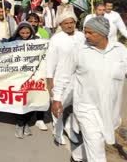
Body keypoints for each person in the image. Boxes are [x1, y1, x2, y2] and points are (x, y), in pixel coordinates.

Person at [52, 17, 127, 162]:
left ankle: (77, 156)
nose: (85, 36)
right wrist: (57, 98)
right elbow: (64, 76)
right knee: (97, 151)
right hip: (86, 107)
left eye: (90, 33)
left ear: (103, 33)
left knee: (98, 140)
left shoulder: (120, 51)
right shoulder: (79, 50)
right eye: (85, 32)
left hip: (110, 110)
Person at [46, 10, 85, 146]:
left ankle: (70, 128)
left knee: (76, 107)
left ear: (75, 23)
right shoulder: (56, 39)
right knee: (58, 107)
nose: (69, 25)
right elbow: (50, 62)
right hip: (60, 78)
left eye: (71, 22)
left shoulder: (82, 36)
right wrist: (50, 81)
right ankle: (57, 132)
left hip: (79, 79)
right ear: (61, 25)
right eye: (66, 23)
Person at [8, 22, 38, 138]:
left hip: (32, 76)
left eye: (27, 33)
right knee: (19, 100)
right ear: (18, 32)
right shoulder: (12, 42)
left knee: (30, 100)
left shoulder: (36, 42)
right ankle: (19, 124)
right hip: (17, 76)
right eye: (22, 33)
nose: (25, 35)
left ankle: (26, 123)